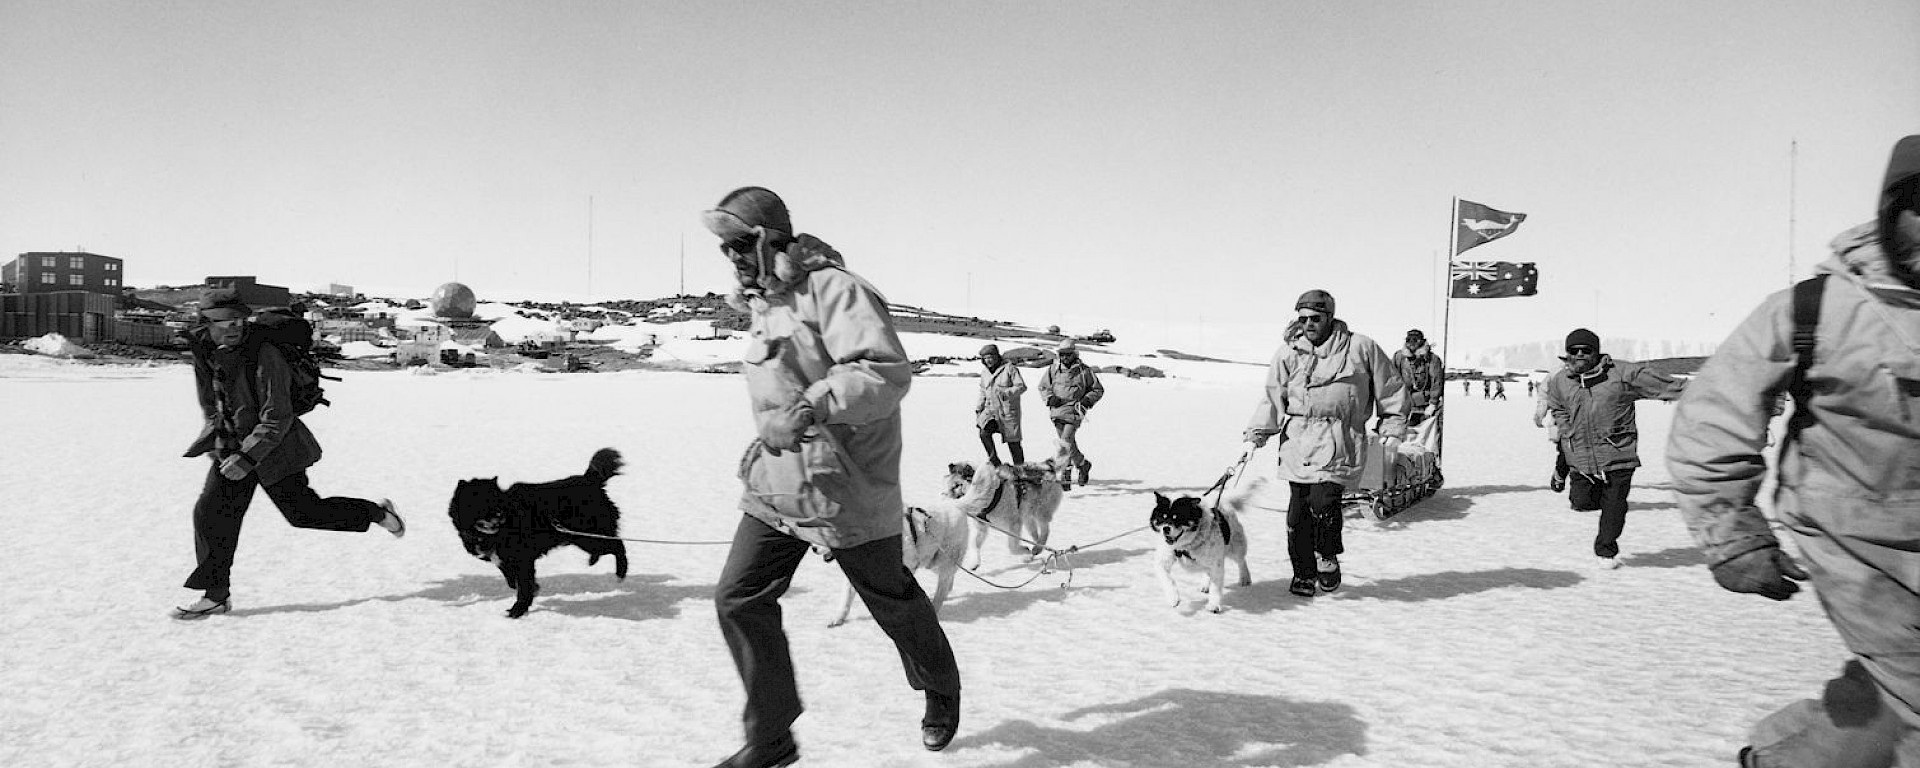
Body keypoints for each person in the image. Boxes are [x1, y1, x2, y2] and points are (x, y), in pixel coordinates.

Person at [1667, 134, 1920, 766]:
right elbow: (1712, 418)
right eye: (1919, 206)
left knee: (1892, 710)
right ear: (1890, 211)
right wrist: (1733, 536)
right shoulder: (1821, 310)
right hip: (1863, 552)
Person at [701, 186, 962, 768]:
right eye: (725, 248)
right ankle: (772, 738)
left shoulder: (837, 291)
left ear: (772, 238)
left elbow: (883, 371)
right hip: (777, 488)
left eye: (742, 243)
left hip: (849, 490)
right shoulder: (765, 304)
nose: (733, 257)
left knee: (892, 601)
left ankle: (941, 687)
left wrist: (814, 405)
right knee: (738, 598)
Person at [173, 288, 404, 621]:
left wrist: (247, 457)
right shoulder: (205, 351)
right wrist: (221, 444)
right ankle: (216, 595)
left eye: (238, 319)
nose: (233, 327)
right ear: (206, 322)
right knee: (211, 514)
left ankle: (376, 513)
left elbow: (276, 416)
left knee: (304, 513)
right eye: (224, 322)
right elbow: (211, 403)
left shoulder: (264, 353)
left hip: (276, 449)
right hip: (233, 449)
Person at [1245, 289, 1407, 597]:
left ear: (1330, 317)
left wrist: (1393, 424)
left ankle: (1327, 556)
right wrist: (1257, 434)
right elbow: (1272, 397)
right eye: (1302, 318)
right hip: (1299, 440)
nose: (1308, 324)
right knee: (1298, 514)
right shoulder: (1288, 352)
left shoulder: (1361, 347)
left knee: (1324, 503)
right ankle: (1303, 572)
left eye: (1315, 318)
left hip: (1340, 440)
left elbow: (1391, 387)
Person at [1538, 328, 1682, 569]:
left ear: (1597, 352)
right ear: (1567, 354)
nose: (1581, 354)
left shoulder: (1622, 374)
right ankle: (1598, 500)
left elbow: (1667, 386)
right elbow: (1557, 405)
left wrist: (1712, 395)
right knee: (1581, 502)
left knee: (1614, 504)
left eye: (1587, 350)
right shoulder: (1561, 381)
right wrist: (1566, 428)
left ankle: (1606, 550)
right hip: (1581, 454)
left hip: (1618, 451)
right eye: (1575, 351)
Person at [1038, 339, 1104, 489]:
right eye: (1062, 354)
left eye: (1068, 354)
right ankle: (1082, 464)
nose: (1065, 357)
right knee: (1069, 443)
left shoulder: (1084, 371)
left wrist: (1087, 400)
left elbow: (1098, 389)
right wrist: (1049, 398)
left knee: (1065, 442)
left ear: (1074, 354)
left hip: (1075, 411)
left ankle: (1065, 474)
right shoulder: (1053, 370)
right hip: (1057, 411)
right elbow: (1043, 387)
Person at [1391, 329, 1444, 451]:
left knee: (1428, 440)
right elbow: (1392, 379)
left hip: (1426, 407)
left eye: (1415, 339)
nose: (1412, 343)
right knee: (1405, 439)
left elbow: (1437, 381)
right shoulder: (1399, 357)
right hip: (1405, 405)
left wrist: (1433, 403)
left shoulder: (1432, 360)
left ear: (1422, 341)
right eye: (1409, 340)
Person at [974, 343, 1026, 465]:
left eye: (990, 357)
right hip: (990, 411)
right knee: (984, 432)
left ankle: (1020, 469)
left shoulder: (1009, 369)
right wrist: (979, 407)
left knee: (1013, 443)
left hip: (1007, 411)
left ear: (997, 356)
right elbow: (983, 391)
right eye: (986, 358)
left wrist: (1007, 393)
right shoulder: (985, 373)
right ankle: (995, 462)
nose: (988, 361)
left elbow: (1021, 386)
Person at [1532, 360, 1572, 493]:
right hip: (1563, 419)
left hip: (1588, 419)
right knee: (1566, 450)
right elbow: (1544, 395)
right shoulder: (1556, 374)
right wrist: (1540, 414)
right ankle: (1560, 474)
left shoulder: (1592, 373)